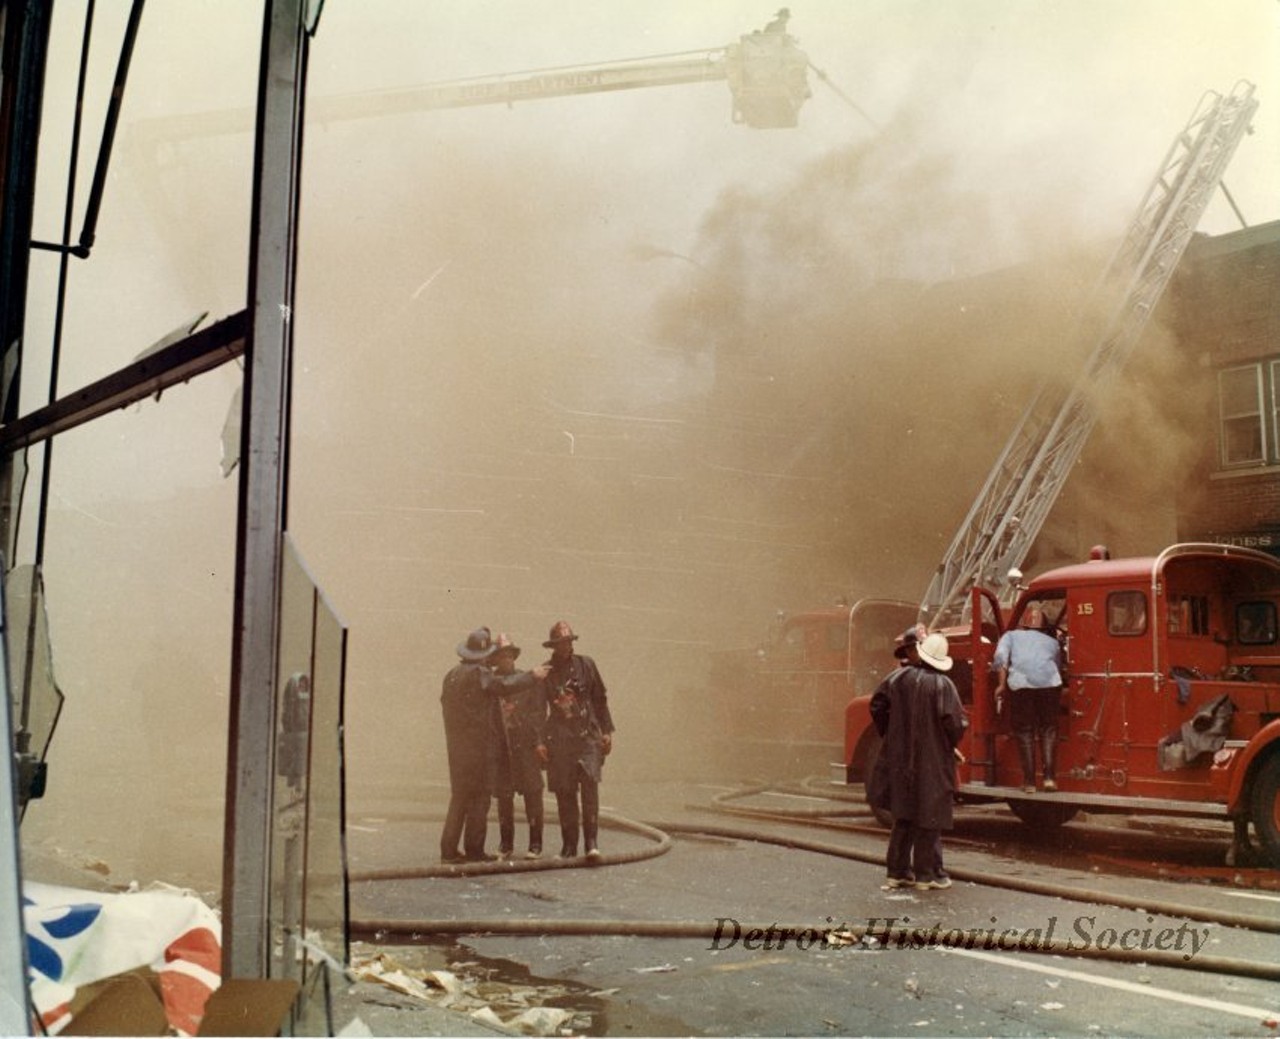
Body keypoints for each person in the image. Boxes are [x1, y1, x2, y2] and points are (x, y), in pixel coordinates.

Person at [868, 632, 967, 891]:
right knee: (930, 815)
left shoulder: (898, 678)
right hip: (932, 760)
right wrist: (949, 744)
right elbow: (955, 723)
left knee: (903, 814)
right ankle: (927, 876)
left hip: (899, 759)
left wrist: (890, 733)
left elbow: (877, 705)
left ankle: (897, 872)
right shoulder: (944, 685)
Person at [439, 627, 546, 863]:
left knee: (459, 798)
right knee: (480, 798)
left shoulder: (452, 675)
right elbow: (503, 687)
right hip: (479, 750)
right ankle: (474, 850)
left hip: (457, 750)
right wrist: (532, 675)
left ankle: (448, 850)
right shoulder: (479, 673)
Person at [541, 621, 614, 861]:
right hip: (560, 739)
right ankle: (569, 845)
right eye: (560, 643)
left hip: (587, 736)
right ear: (553, 645)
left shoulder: (587, 665)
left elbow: (600, 699)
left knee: (590, 790)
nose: (565, 647)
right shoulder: (546, 671)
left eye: (568, 642)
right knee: (565, 792)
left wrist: (606, 731)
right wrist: (539, 742)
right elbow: (538, 711)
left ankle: (591, 843)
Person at [992, 604, 1064, 793]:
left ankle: (1030, 782)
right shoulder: (1053, 642)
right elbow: (1057, 666)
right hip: (1050, 686)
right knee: (1048, 729)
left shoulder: (1010, 636)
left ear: (1023, 623)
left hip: (1021, 685)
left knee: (1025, 731)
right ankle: (1049, 779)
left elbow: (1000, 658)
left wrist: (1000, 685)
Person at [491, 633, 548, 859]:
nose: (506, 659)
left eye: (509, 655)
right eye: (501, 656)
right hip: (502, 750)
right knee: (504, 799)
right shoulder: (491, 682)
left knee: (533, 795)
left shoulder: (527, 681)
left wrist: (539, 742)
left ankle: (535, 845)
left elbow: (538, 714)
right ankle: (506, 845)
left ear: (514, 657)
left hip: (525, 746)